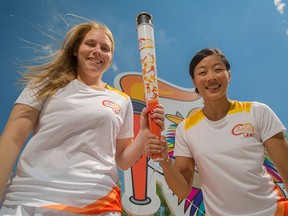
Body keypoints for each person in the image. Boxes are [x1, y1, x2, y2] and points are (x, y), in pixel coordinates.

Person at [0, 21, 165, 216]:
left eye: (105, 48)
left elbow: (122, 160)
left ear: (110, 58)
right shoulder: (45, 84)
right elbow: (12, 139)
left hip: (98, 203)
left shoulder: (121, 100)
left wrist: (144, 133)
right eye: (90, 44)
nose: (98, 51)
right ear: (76, 50)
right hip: (31, 198)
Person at [145, 48, 288, 215]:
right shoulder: (186, 129)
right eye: (202, 72)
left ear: (229, 75)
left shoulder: (257, 112)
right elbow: (183, 190)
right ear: (194, 81)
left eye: (218, 69)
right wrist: (165, 161)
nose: (211, 77)